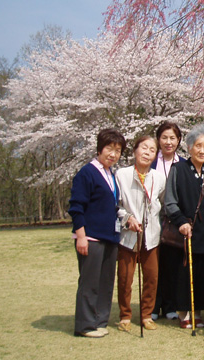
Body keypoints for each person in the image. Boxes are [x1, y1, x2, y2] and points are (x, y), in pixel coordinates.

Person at [163, 125, 204, 328]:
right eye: (198, 146)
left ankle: (197, 311)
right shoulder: (178, 169)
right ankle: (183, 313)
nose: (203, 150)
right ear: (189, 148)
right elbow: (170, 201)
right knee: (184, 273)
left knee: (203, 273)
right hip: (186, 231)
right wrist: (181, 222)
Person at [69, 128, 126, 338]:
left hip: (110, 237)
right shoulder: (87, 173)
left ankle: (100, 321)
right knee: (89, 282)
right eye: (109, 149)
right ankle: (85, 325)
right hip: (91, 237)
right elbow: (76, 207)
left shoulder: (110, 174)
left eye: (118, 150)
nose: (113, 154)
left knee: (105, 282)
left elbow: (111, 205)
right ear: (99, 149)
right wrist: (81, 236)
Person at [115, 136, 166, 332]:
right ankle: (125, 315)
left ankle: (146, 314)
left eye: (152, 150)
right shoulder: (122, 175)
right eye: (144, 148)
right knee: (125, 278)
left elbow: (162, 203)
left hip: (151, 236)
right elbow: (116, 205)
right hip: (128, 235)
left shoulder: (159, 178)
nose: (147, 152)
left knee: (151, 277)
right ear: (135, 151)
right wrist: (127, 218)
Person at [151, 121, 184, 321]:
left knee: (172, 265)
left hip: (175, 222)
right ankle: (154, 306)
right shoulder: (151, 162)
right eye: (164, 137)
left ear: (179, 140)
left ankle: (171, 305)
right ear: (158, 140)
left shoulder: (183, 164)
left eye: (172, 138)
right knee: (155, 265)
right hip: (154, 221)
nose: (168, 142)